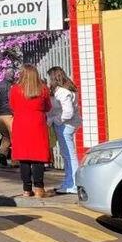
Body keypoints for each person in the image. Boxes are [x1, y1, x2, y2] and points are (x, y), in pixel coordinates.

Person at [9, 64, 54, 198]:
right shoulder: (43, 89)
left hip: (21, 124)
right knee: (38, 158)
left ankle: (26, 189)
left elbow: (12, 106)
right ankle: (39, 188)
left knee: (24, 158)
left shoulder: (15, 89)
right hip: (37, 124)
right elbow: (48, 107)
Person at [47, 66, 81, 194]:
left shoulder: (62, 92)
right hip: (67, 125)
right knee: (67, 155)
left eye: (50, 78)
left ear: (54, 78)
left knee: (69, 155)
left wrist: (54, 120)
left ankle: (73, 184)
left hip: (65, 125)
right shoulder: (68, 89)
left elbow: (68, 113)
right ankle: (68, 182)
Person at [0, 67, 15, 167]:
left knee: (6, 136)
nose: (13, 76)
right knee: (14, 136)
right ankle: (15, 161)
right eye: (13, 74)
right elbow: (11, 100)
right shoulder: (11, 86)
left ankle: (2, 154)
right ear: (10, 75)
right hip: (9, 114)